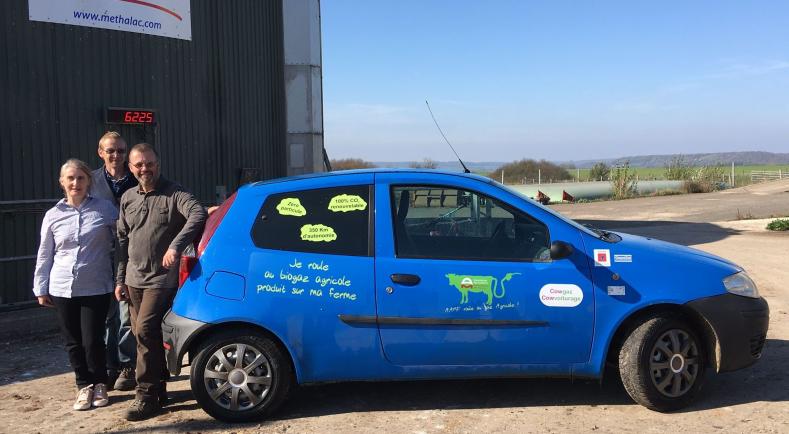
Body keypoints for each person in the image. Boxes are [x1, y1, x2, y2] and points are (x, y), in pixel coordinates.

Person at [115, 143, 206, 421]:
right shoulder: (128, 197)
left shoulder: (175, 193)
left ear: (158, 163)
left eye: (150, 163)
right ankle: (159, 389)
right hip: (133, 279)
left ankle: (145, 395)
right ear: (131, 168)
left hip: (161, 280)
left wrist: (176, 246)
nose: (145, 169)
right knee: (147, 335)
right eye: (139, 165)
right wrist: (120, 279)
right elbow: (122, 240)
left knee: (144, 331)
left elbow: (198, 214)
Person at [33, 159, 119, 410]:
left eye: (80, 178)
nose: (75, 183)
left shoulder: (105, 209)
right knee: (73, 340)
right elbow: (45, 253)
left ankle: (100, 383)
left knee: (93, 339)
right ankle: (83, 385)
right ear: (62, 182)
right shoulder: (53, 215)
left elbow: (125, 236)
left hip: (96, 285)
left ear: (88, 181)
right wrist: (41, 287)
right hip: (61, 287)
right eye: (70, 178)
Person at [90, 131, 139, 392]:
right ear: (101, 152)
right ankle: (109, 366)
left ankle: (127, 364)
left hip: (131, 254)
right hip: (101, 254)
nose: (116, 155)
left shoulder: (136, 178)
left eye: (121, 150)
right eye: (111, 150)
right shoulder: (92, 181)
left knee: (126, 313)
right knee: (106, 314)